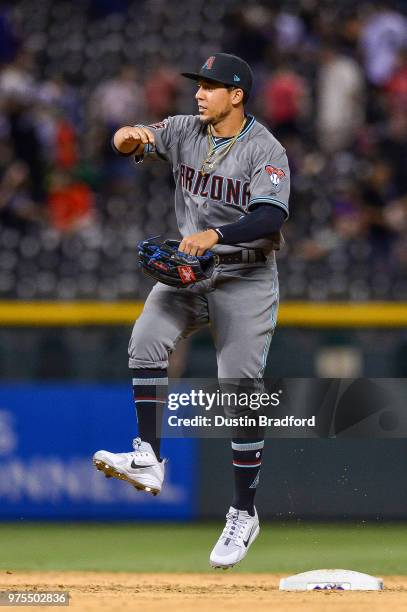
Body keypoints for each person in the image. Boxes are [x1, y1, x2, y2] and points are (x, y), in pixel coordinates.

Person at [93, 53, 290, 569]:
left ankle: (244, 512)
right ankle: (149, 458)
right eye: (198, 85)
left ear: (237, 95)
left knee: (238, 387)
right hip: (190, 269)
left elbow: (270, 216)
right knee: (145, 340)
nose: (199, 94)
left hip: (246, 273)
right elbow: (133, 136)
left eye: (210, 86)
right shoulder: (185, 129)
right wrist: (128, 136)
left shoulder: (264, 149)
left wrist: (217, 234)